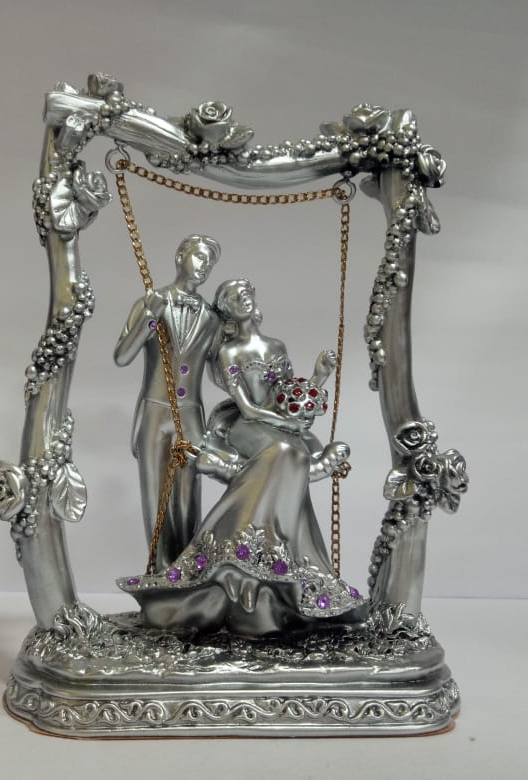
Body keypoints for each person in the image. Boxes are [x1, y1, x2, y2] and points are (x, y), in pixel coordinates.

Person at [119, 279, 364, 636]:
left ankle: (287, 554)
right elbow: (249, 410)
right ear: (227, 313)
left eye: (246, 293)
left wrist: (318, 376)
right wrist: (286, 424)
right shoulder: (229, 353)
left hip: (277, 422)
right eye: (233, 297)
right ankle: (245, 545)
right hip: (246, 425)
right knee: (284, 452)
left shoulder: (276, 346)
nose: (243, 298)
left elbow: (286, 396)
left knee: (292, 454)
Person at [114, 235, 222, 569]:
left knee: (188, 498)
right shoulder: (152, 301)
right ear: (180, 257)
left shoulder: (212, 318)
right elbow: (122, 355)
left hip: (191, 418)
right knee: (155, 496)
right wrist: (150, 317)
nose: (204, 266)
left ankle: (186, 571)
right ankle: (159, 571)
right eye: (199, 257)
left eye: (210, 262)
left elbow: (221, 374)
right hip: (154, 413)